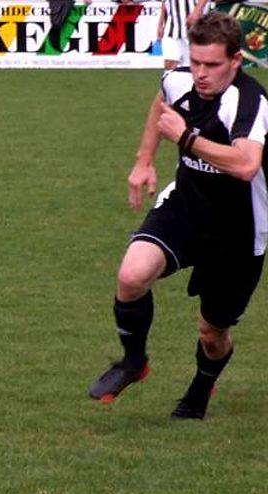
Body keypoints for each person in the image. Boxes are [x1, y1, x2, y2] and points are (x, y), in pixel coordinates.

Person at [88, 12, 268, 420]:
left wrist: (186, 138)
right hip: (186, 205)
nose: (201, 74)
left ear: (236, 60)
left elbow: (245, 165)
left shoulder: (250, 101)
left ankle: (200, 389)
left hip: (238, 229)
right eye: (196, 62)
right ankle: (134, 361)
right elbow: (161, 105)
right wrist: (144, 160)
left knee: (212, 333)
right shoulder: (179, 79)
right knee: (131, 276)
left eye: (212, 65)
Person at [158, 0, 210, 71]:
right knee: (169, 63)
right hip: (171, 27)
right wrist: (160, 23)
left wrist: (197, 11)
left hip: (193, 26)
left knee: (193, 65)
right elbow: (165, 3)